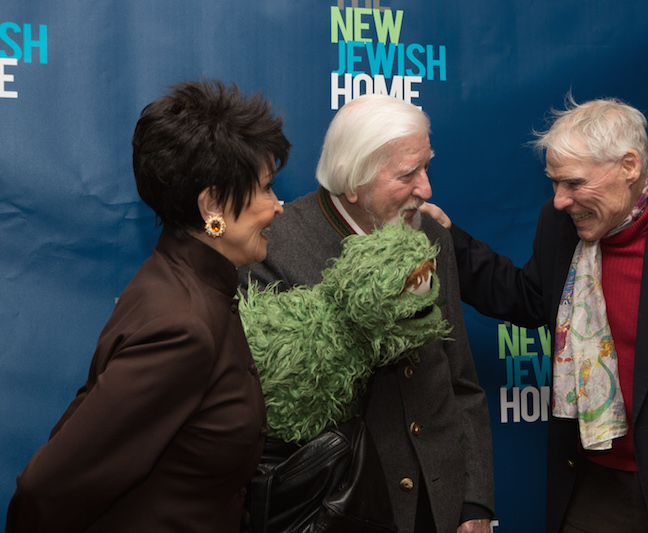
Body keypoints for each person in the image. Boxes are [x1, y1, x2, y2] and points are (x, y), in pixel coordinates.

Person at [420, 96, 648, 533]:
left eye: (574, 183)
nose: (560, 200)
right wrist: (447, 240)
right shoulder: (561, 224)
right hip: (587, 487)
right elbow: (529, 297)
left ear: (629, 166)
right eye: (554, 184)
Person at [6, 79, 291, 533]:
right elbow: (46, 488)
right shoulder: (185, 325)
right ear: (213, 206)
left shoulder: (177, 279)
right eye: (266, 189)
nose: (278, 207)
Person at [238, 94, 495, 533]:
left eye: (427, 167)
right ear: (352, 182)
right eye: (408, 174)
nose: (427, 189)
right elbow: (280, 406)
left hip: (441, 505)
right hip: (345, 505)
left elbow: (460, 381)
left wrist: (474, 501)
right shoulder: (273, 248)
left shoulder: (431, 236)